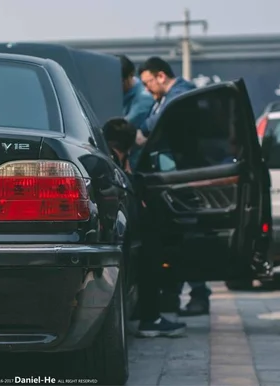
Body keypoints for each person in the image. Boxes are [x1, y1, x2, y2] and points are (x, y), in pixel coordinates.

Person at [136, 56, 212, 316]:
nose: (147, 89)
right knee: (176, 238)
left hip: (188, 177)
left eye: (148, 83)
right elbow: (148, 126)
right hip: (173, 179)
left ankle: (199, 295)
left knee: (189, 237)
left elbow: (155, 126)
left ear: (161, 76)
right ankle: (173, 295)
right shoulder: (162, 100)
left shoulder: (181, 95)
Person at [102, 118, 187, 337]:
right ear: (128, 146)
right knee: (152, 250)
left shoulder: (106, 159)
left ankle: (147, 314)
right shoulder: (113, 163)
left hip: (117, 232)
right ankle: (150, 318)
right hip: (123, 233)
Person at [118, 55, 155, 170]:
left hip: (137, 162)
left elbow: (121, 127)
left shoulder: (144, 97)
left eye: (120, 82)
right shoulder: (119, 93)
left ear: (130, 76)